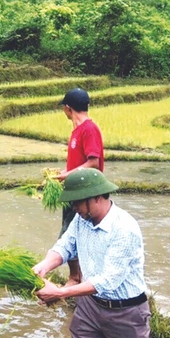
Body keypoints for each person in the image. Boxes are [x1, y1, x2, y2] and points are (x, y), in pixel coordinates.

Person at [33, 169, 153, 338]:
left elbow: (109, 281)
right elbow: (65, 246)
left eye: (77, 202)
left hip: (126, 311)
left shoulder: (124, 228)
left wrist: (59, 293)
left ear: (96, 197)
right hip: (90, 306)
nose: (74, 207)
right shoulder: (82, 219)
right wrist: (45, 265)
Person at [55, 87, 105, 281]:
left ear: (68, 108)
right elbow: (80, 162)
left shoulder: (89, 129)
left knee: (69, 235)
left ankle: (76, 277)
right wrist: (64, 173)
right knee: (72, 233)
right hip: (74, 190)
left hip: (85, 192)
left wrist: (68, 174)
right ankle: (77, 275)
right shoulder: (77, 130)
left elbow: (93, 162)